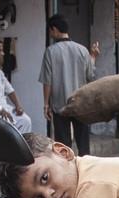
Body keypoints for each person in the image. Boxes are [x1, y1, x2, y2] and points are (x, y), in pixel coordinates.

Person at [39, 14, 100, 154]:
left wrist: (46, 104)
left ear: (54, 29)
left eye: (50, 30)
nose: (50, 34)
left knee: (63, 146)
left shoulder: (50, 52)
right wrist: (93, 57)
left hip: (60, 106)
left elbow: (47, 81)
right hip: (81, 104)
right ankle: (86, 170)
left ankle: (66, 172)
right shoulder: (82, 50)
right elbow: (90, 76)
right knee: (84, 144)